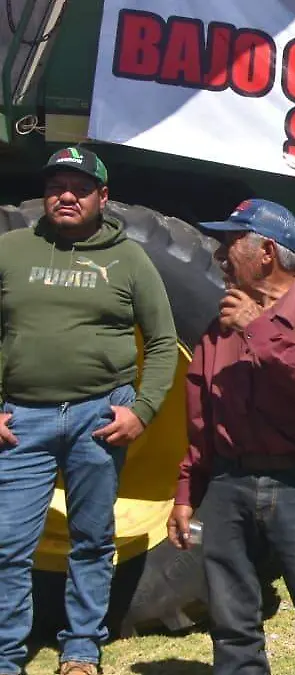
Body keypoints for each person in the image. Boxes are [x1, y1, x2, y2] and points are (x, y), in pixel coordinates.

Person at [167, 199, 295, 675]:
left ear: (267, 252)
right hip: (229, 487)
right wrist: (185, 493)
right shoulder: (220, 325)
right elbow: (201, 419)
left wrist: (257, 332)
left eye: (230, 244)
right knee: (233, 628)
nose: (219, 256)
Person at [0, 148, 178, 675]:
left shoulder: (130, 259)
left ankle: (80, 649)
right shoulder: (11, 250)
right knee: (8, 544)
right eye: (56, 185)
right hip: (21, 421)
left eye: (79, 187)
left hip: (99, 418)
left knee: (93, 540)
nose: (67, 196)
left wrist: (142, 412)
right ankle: (8, 655)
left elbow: (165, 341)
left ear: (104, 197)